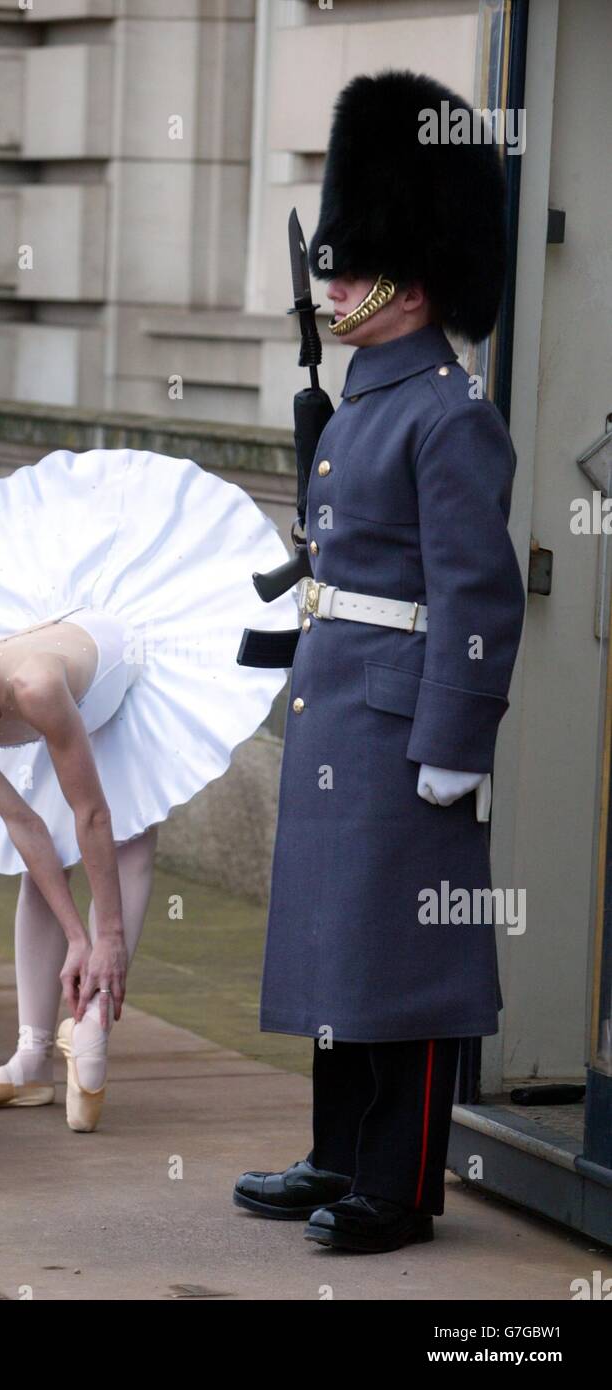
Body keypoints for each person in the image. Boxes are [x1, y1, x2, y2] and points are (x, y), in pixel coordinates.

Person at [232, 70, 527, 1252]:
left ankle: (398, 1183)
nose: (335, 284)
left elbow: (477, 594)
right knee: (333, 945)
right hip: (339, 705)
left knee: (397, 957)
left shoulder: (450, 412)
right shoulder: (365, 400)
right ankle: (334, 1153)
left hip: (404, 720)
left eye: (351, 268)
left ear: (409, 279)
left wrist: (453, 743)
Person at [0, 446, 295, 1132]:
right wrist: (75, 934)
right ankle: (29, 1061)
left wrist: (103, 938)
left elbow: (92, 812)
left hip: (124, 670)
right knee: (39, 867)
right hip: (61, 715)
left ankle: (94, 1024)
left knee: (130, 840)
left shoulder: (32, 683)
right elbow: (23, 826)